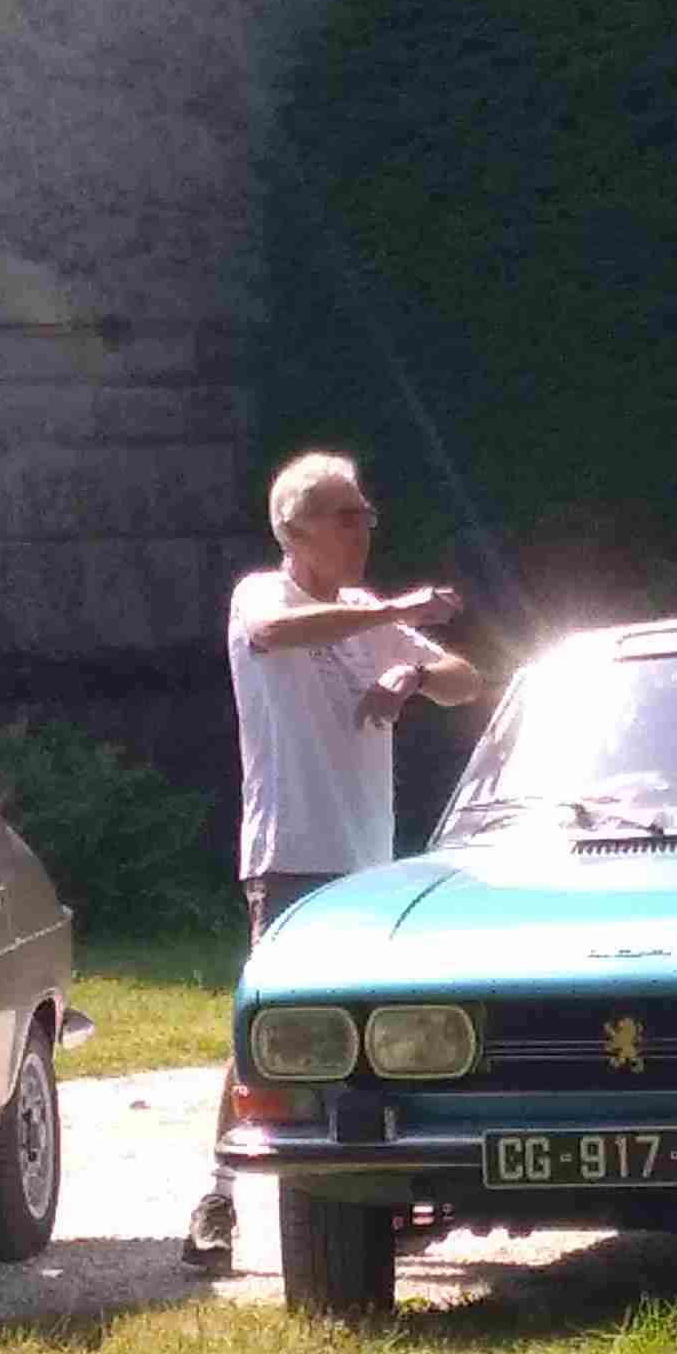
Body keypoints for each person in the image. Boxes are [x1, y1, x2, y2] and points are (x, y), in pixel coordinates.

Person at [179, 452, 485, 1272]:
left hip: (371, 865)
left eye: (366, 515)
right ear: (296, 529)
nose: (364, 529)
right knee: (269, 1033)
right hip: (290, 855)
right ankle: (218, 1197)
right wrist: (394, 611)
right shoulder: (262, 594)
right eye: (347, 516)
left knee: (380, 1031)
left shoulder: (363, 612)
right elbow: (273, 635)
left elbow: (466, 681)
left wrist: (411, 670)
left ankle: (384, 1192)